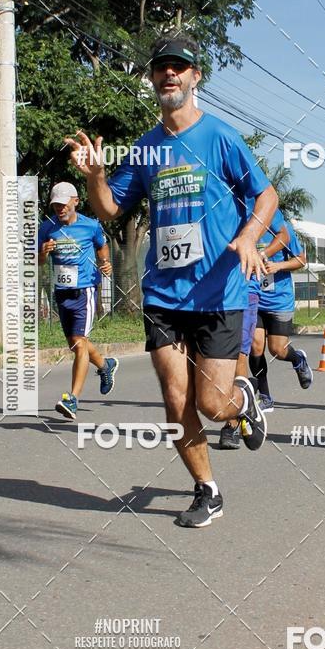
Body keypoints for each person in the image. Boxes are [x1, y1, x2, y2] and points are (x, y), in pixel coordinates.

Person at [66, 33, 278, 527]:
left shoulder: (221, 137)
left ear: (194, 76)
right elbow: (112, 208)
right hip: (163, 293)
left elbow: (265, 197)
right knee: (175, 398)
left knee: (210, 403)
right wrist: (95, 176)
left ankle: (242, 401)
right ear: (153, 78)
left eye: (179, 67)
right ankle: (207, 490)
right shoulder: (144, 148)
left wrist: (249, 238)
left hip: (218, 291)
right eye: (161, 67)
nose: (169, 75)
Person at [38, 182, 118, 419]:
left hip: (85, 290)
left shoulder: (90, 226)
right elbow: (38, 261)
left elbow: (102, 248)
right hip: (62, 291)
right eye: (55, 205)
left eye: (63, 204)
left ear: (75, 201)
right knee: (75, 343)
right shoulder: (47, 228)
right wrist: (43, 252)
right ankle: (105, 365)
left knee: (80, 343)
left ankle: (72, 399)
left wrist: (105, 263)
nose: (59, 209)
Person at [218, 207, 289, 449]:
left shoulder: (254, 197)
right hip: (208, 288)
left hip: (244, 291)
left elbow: (283, 235)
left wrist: (261, 253)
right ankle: (246, 398)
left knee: (237, 353)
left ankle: (233, 422)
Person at [248, 218, 312, 409]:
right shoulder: (245, 226)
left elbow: (301, 259)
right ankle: (266, 397)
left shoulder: (282, 229)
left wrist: (278, 266)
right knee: (255, 346)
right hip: (254, 297)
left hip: (279, 299)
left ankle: (298, 359)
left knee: (277, 350)